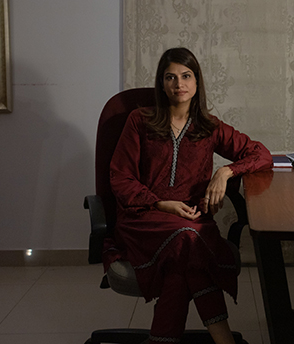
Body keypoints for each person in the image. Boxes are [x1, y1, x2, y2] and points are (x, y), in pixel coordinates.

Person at [106, 47, 273, 344]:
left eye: (186, 76)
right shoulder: (139, 120)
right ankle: (223, 338)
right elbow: (120, 178)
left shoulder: (209, 127)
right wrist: (160, 203)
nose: (178, 84)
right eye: (170, 77)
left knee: (182, 261)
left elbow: (261, 154)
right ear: (161, 83)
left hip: (192, 220)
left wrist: (225, 172)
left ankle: (162, 339)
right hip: (144, 218)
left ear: (197, 83)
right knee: (189, 240)